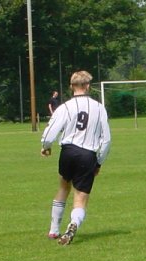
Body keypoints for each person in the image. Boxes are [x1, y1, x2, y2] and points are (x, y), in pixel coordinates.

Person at [41, 71, 111, 245]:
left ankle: (53, 230)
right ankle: (73, 224)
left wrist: (46, 146)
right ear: (88, 86)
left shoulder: (65, 107)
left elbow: (50, 132)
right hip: (88, 154)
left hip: (68, 151)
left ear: (71, 87)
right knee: (80, 197)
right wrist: (99, 161)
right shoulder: (99, 107)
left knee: (63, 188)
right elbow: (107, 139)